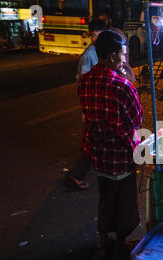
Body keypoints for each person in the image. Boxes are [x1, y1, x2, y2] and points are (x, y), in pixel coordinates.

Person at [78, 31, 143, 260]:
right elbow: (137, 120)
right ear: (113, 55)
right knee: (124, 203)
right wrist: (129, 79)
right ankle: (119, 247)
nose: (125, 60)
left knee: (105, 199)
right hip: (119, 156)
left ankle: (103, 242)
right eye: (123, 56)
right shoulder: (122, 86)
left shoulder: (84, 81)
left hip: (97, 153)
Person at [64, 20, 109, 191]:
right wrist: (86, 108)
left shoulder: (98, 52)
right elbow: (83, 83)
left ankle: (85, 170)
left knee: (94, 140)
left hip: (98, 104)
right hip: (93, 105)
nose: (98, 37)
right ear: (92, 35)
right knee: (94, 141)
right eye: (96, 34)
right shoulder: (90, 55)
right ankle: (77, 175)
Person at [98, 10, 136, 82]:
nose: (102, 23)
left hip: (119, 70)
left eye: (104, 20)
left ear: (110, 20)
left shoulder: (117, 34)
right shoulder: (101, 34)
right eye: (100, 21)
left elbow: (125, 54)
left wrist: (123, 69)